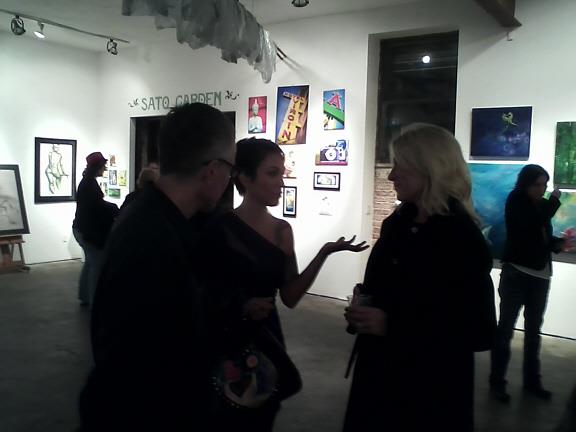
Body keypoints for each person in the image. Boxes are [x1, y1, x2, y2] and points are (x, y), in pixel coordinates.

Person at [78, 103, 235, 431]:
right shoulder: (154, 238)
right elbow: (143, 364)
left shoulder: (151, 217)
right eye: (230, 170)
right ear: (212, 170)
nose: (229, 180)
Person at [343, 124, 496, 432]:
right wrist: (365, 303)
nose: (390, 175)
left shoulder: (461, 238)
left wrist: (392, 324)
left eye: (399, 164)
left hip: (429, 390)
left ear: (430, 168)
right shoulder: (397, 224)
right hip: (380, 377)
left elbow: (477, 330)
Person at [209, 137, 368, 431]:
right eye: (272, 174)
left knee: (263, 415)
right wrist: (240, 305)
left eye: (282, 174)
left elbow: (290, 296)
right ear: (245, 177)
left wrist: (324, 253)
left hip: (267, 337)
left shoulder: (282, 230)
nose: (281, 183)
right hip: (228, 336)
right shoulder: (219, 227)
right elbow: (205, 290)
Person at [490, 164, 564, 402]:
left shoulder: (541, 206)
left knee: (533, 332)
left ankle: (533, 382)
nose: (542, 189)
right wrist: (554, 201)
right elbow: (530, 224)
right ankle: (497, 383)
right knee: (505, 330)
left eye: (545, 185)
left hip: (540, 275)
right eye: (537, 185)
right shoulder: (516, 200)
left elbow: (540, 237)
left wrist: (558, 244)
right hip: (517, 273)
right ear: (525, 184)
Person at [72, 152, 119, 306]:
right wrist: (114, 208)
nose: (105, 168)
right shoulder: (89, 184)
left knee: (90, 264)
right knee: (96, 267)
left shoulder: (88, 182)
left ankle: (85, 296)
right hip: (87, 231)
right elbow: (96, 207)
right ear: (97, 166)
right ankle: (95, 302)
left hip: (81, 229)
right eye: (103, 166)